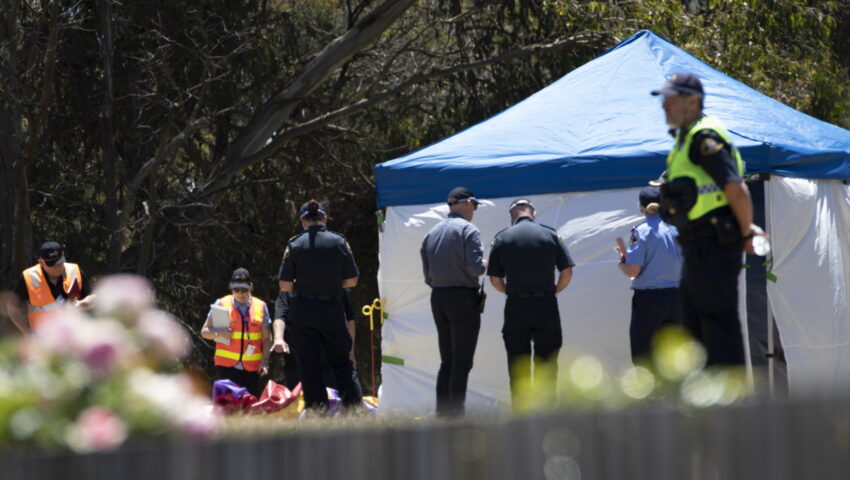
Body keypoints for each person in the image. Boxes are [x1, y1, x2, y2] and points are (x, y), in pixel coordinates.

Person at [651, 73, 764, 366]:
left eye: (672, 100)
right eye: (664, 101)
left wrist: (746, 234)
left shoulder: (704, 138)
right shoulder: (684, 141)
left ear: (693, 101)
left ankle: (732, 404)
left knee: (718, 324)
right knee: (695, 327)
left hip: (714, 242)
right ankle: (707, 401)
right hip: (696, 245)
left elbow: (736, 189)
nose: (666, 107)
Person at [487, 199, 574, 407]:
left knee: (519, 364)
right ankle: (547, 412)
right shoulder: (551, 235)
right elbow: (567, 272)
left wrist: (510, 291)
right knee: (547, 364)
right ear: (533, 214)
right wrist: (554, 290)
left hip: (516, 306)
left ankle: (521, 414)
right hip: (546, 305)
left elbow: (495, 280)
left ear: (512, 216)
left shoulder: (501, 238)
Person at [278, 200, 363, 411]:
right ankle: (353, 409)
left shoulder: (295, 244)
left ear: (303, 221)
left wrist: (305, 285)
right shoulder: (339, 242)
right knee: (342, 362)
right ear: (324, 218)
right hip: (332, 308)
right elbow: (352, 280)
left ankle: (318, 412)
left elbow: (285, 285)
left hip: (304, 311)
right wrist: (331, 284)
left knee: (309, 365)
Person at [420, 187, 486, 417]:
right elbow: (475, 268)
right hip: (462, 298)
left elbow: (427, 275)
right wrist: (488, 262)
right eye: (474, 205)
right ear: (465, 203)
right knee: (462, 361)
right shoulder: (469, 230)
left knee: (446, 360)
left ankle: (443, 414)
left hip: (438, 297)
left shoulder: (432, 232)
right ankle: (456, 416)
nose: (474, 210)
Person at [615, 186, 683, 365]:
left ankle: (653, 394)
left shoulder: (641, 231)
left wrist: (622, 262)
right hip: (680, 297)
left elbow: (633, 270)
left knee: (644, 355)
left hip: (650, 300)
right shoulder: (679, 228)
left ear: (641, 208)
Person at [201, 267, 271, 398]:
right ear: (231, 288)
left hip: (252, 366)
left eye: (244, 289)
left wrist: (265, 362)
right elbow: (204, 332)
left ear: (251, 287)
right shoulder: (221, 303)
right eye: (236, 289)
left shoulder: (260, 306)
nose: (240, 293)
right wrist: (219, 333)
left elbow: (267, 338)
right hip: (227, 366)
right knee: (230, 406)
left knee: (250, 405)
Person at [273, 288, 357, 390]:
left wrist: (351, 352)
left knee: (332, 397)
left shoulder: (335, 286)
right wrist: (278, 338)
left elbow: (350, 320)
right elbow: (279, 316)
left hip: (329, 356)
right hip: (298, 357)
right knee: (299, 399)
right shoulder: (287, 290)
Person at [7, 241, 96, 333]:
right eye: (52, 264)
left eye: (60, 262)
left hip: (73, 335)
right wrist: (27, 333)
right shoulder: (29, 277)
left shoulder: (75, 271)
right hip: (43, 339)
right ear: (41, 262)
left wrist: (82, 303)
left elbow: (94, 297)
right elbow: (13, 308)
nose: (58, 267)